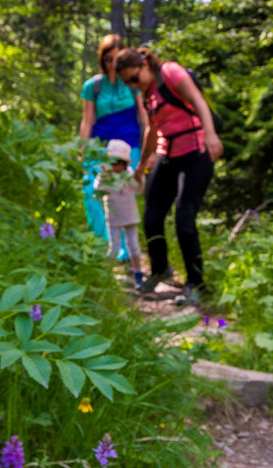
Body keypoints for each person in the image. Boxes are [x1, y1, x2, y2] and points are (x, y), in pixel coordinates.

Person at [115, 47, 223, 305]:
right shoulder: (146, 94)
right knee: (152, 216)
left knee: (185, 217)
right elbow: (152, 130)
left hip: (196, 151)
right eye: (127, 82)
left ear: (144, 65)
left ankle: (196, 284)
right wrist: (141, 164)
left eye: (134, 78)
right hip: (168, 154)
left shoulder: (170, 72)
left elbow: (197, 101)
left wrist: (210, 134)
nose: (133, 85)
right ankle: (160, 269)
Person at [78, 35, 147, 257]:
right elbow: (87, 120)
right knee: (92, 193)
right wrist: (82, 150)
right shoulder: (93, 86)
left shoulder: (132, 83)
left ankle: (126, 251)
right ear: (102, 59)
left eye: (117, 58)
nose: (112, 63)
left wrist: (150, 148)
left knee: (125, 194)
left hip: (128, 148)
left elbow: (144, 116)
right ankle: (101, 247)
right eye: (108, 58)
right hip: (100, 147)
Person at [93, 138, 145, 289]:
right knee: (114, 247)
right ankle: (105, 277)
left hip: (130, 216)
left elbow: (139, 190)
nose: (115, 166)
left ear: (124, 163)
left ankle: (138, 275)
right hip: (114, 217)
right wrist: (103, 175)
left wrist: (140, 178)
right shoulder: (105, 177)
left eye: (118, 162)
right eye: (113, 162)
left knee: (133, 245)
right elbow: (97, 193)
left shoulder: (129, 175)